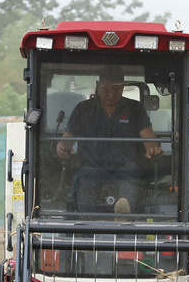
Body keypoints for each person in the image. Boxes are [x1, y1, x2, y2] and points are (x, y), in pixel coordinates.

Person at [56, 66, 162, 213]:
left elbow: (149, 139)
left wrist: (153, 149)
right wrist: (62, 147)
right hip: (91, 167)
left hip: (124, 167)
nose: (111, 94)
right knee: (84, 177)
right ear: (97, 85)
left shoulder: (135, 108)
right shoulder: (83, 109)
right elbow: (66, 139)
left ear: (123, 88)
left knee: (132, 172)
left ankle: (125, 217)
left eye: (117, 89)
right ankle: (86, 220)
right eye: (106, 89)